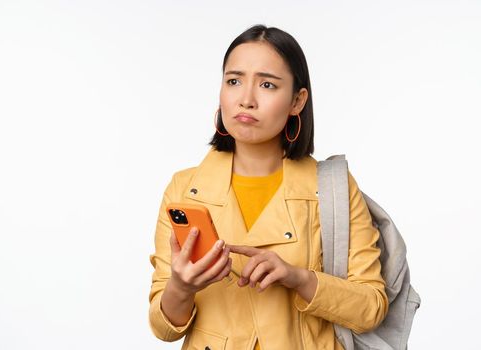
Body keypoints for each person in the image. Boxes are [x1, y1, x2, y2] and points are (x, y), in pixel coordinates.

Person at [147, 24, 388, 350]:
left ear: (297, 101)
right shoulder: (185, 188)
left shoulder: (331, 187)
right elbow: (164, 329)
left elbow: (371, 307)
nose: (246, 100)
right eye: (233, 81)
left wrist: (299, 278)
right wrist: (181, 285)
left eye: (267, 84)